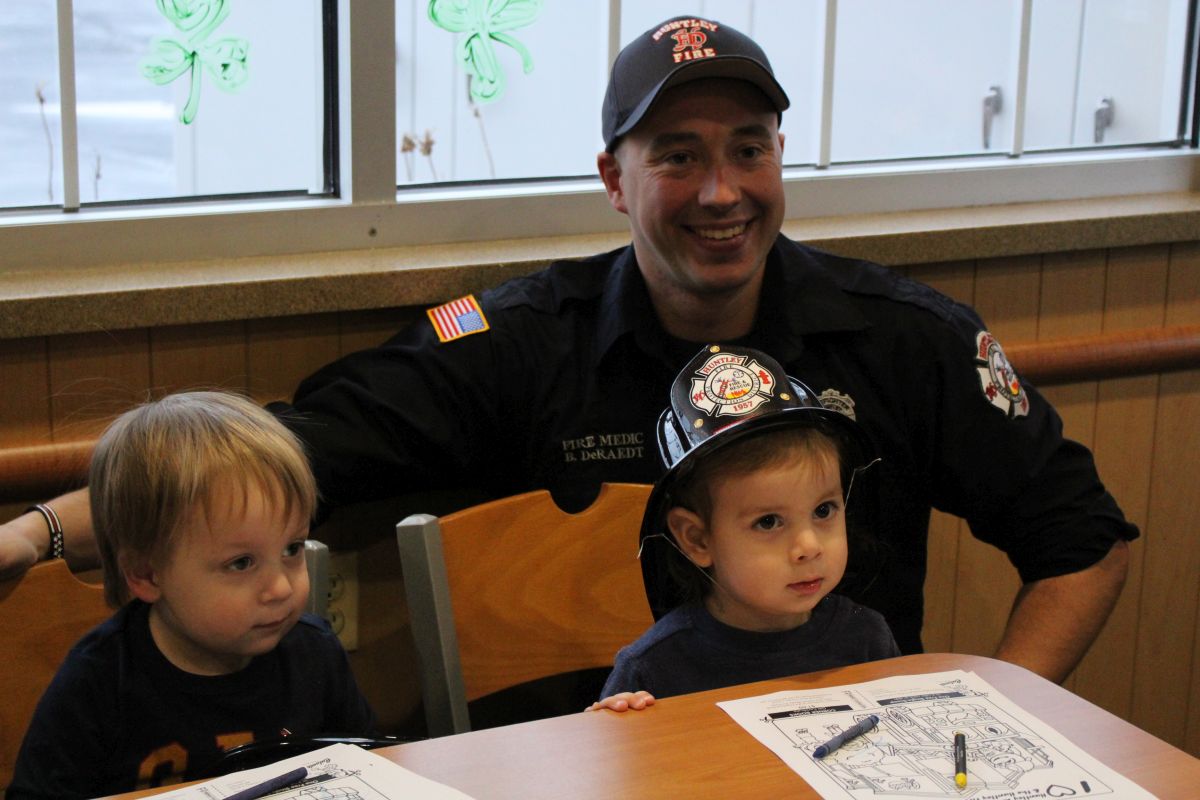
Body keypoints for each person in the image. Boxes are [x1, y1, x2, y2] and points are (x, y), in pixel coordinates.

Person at [0, 15, 1134, 684]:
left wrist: (991, 711)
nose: (723, 191)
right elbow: (271, 456)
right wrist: (36, 533)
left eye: (749, 148)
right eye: (678, 156)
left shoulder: (903, 337)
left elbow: (1083, 541)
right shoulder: (523, 342)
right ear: (613, 180)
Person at [8, 392, 375, 799]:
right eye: (241, 563)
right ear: (147, 574)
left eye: (292, 549)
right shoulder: (100, 680)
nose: (281, 588)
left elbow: (370, 769)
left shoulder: (315, 653)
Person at [589, 345, 901, 712]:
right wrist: (616, 726)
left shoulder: (867, 640)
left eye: (823, 510)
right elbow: (607, 748)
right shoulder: (653, 669)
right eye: (768, 521)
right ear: (697, 539)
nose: (809, 546)